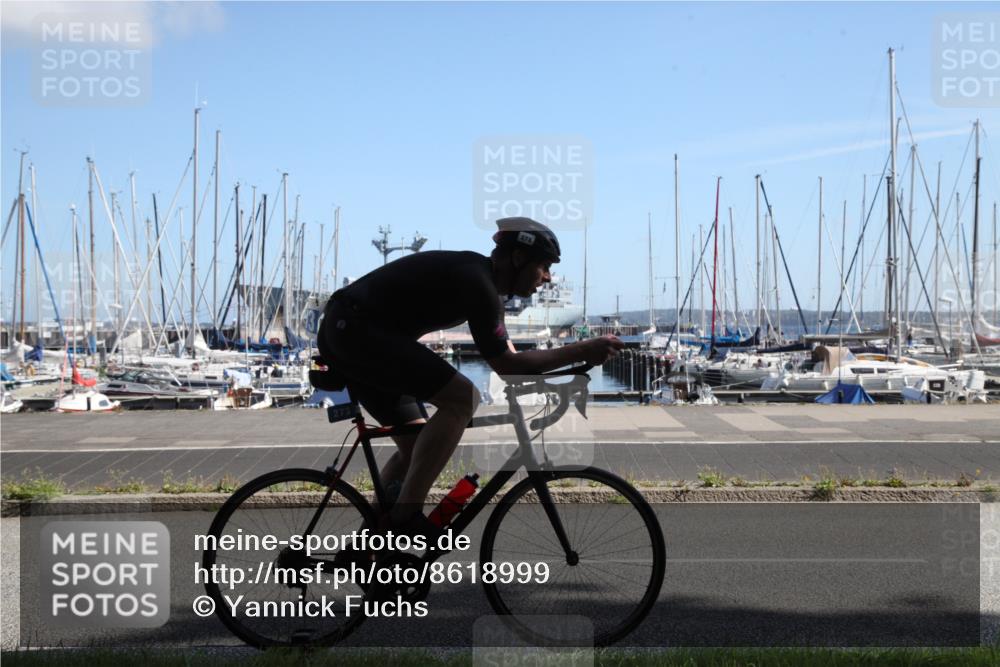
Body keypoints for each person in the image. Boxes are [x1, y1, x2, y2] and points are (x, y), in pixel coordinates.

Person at [317, 217, 624, 534]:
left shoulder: (482, 283)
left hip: (352, 330)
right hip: (355, 329)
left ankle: (369, 547)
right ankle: (405, 517)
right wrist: (582, 350)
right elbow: (507, 366)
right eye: (544, 265)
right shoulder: (477, 281)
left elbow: (513, 359)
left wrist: (575, 362)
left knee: (416, 447)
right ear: (518, 258)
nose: (547, 277)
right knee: (463, 399)